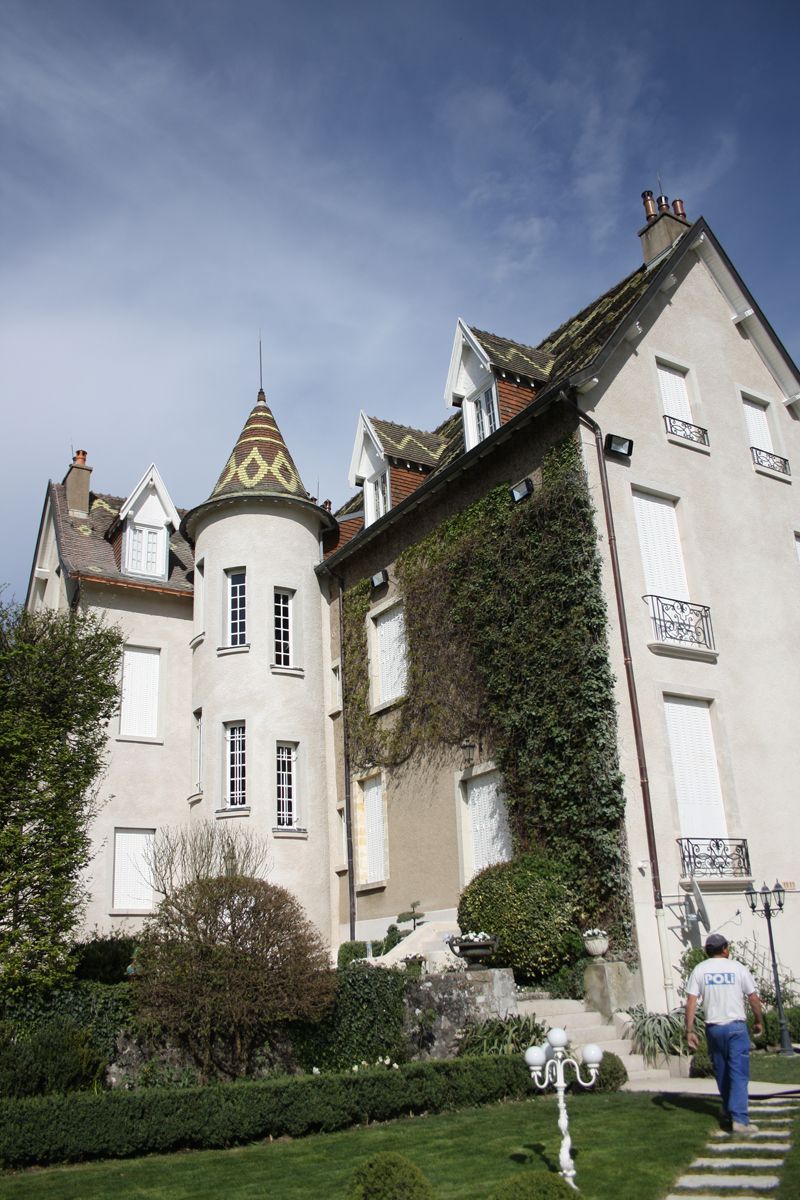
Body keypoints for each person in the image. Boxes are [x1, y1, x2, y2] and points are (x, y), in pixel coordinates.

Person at [685, 932, 764, 1134]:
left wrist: (690, 1030)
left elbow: (691, 1001)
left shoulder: (700, 970)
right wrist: (758, 1021)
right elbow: (753, 998)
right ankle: (739, 1119)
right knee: (738, 1073)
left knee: (721, 1071)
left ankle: (729, 1110)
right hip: (736, 1027)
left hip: (714, 1028)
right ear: (726, 949)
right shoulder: (738, 968)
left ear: (707, 951)